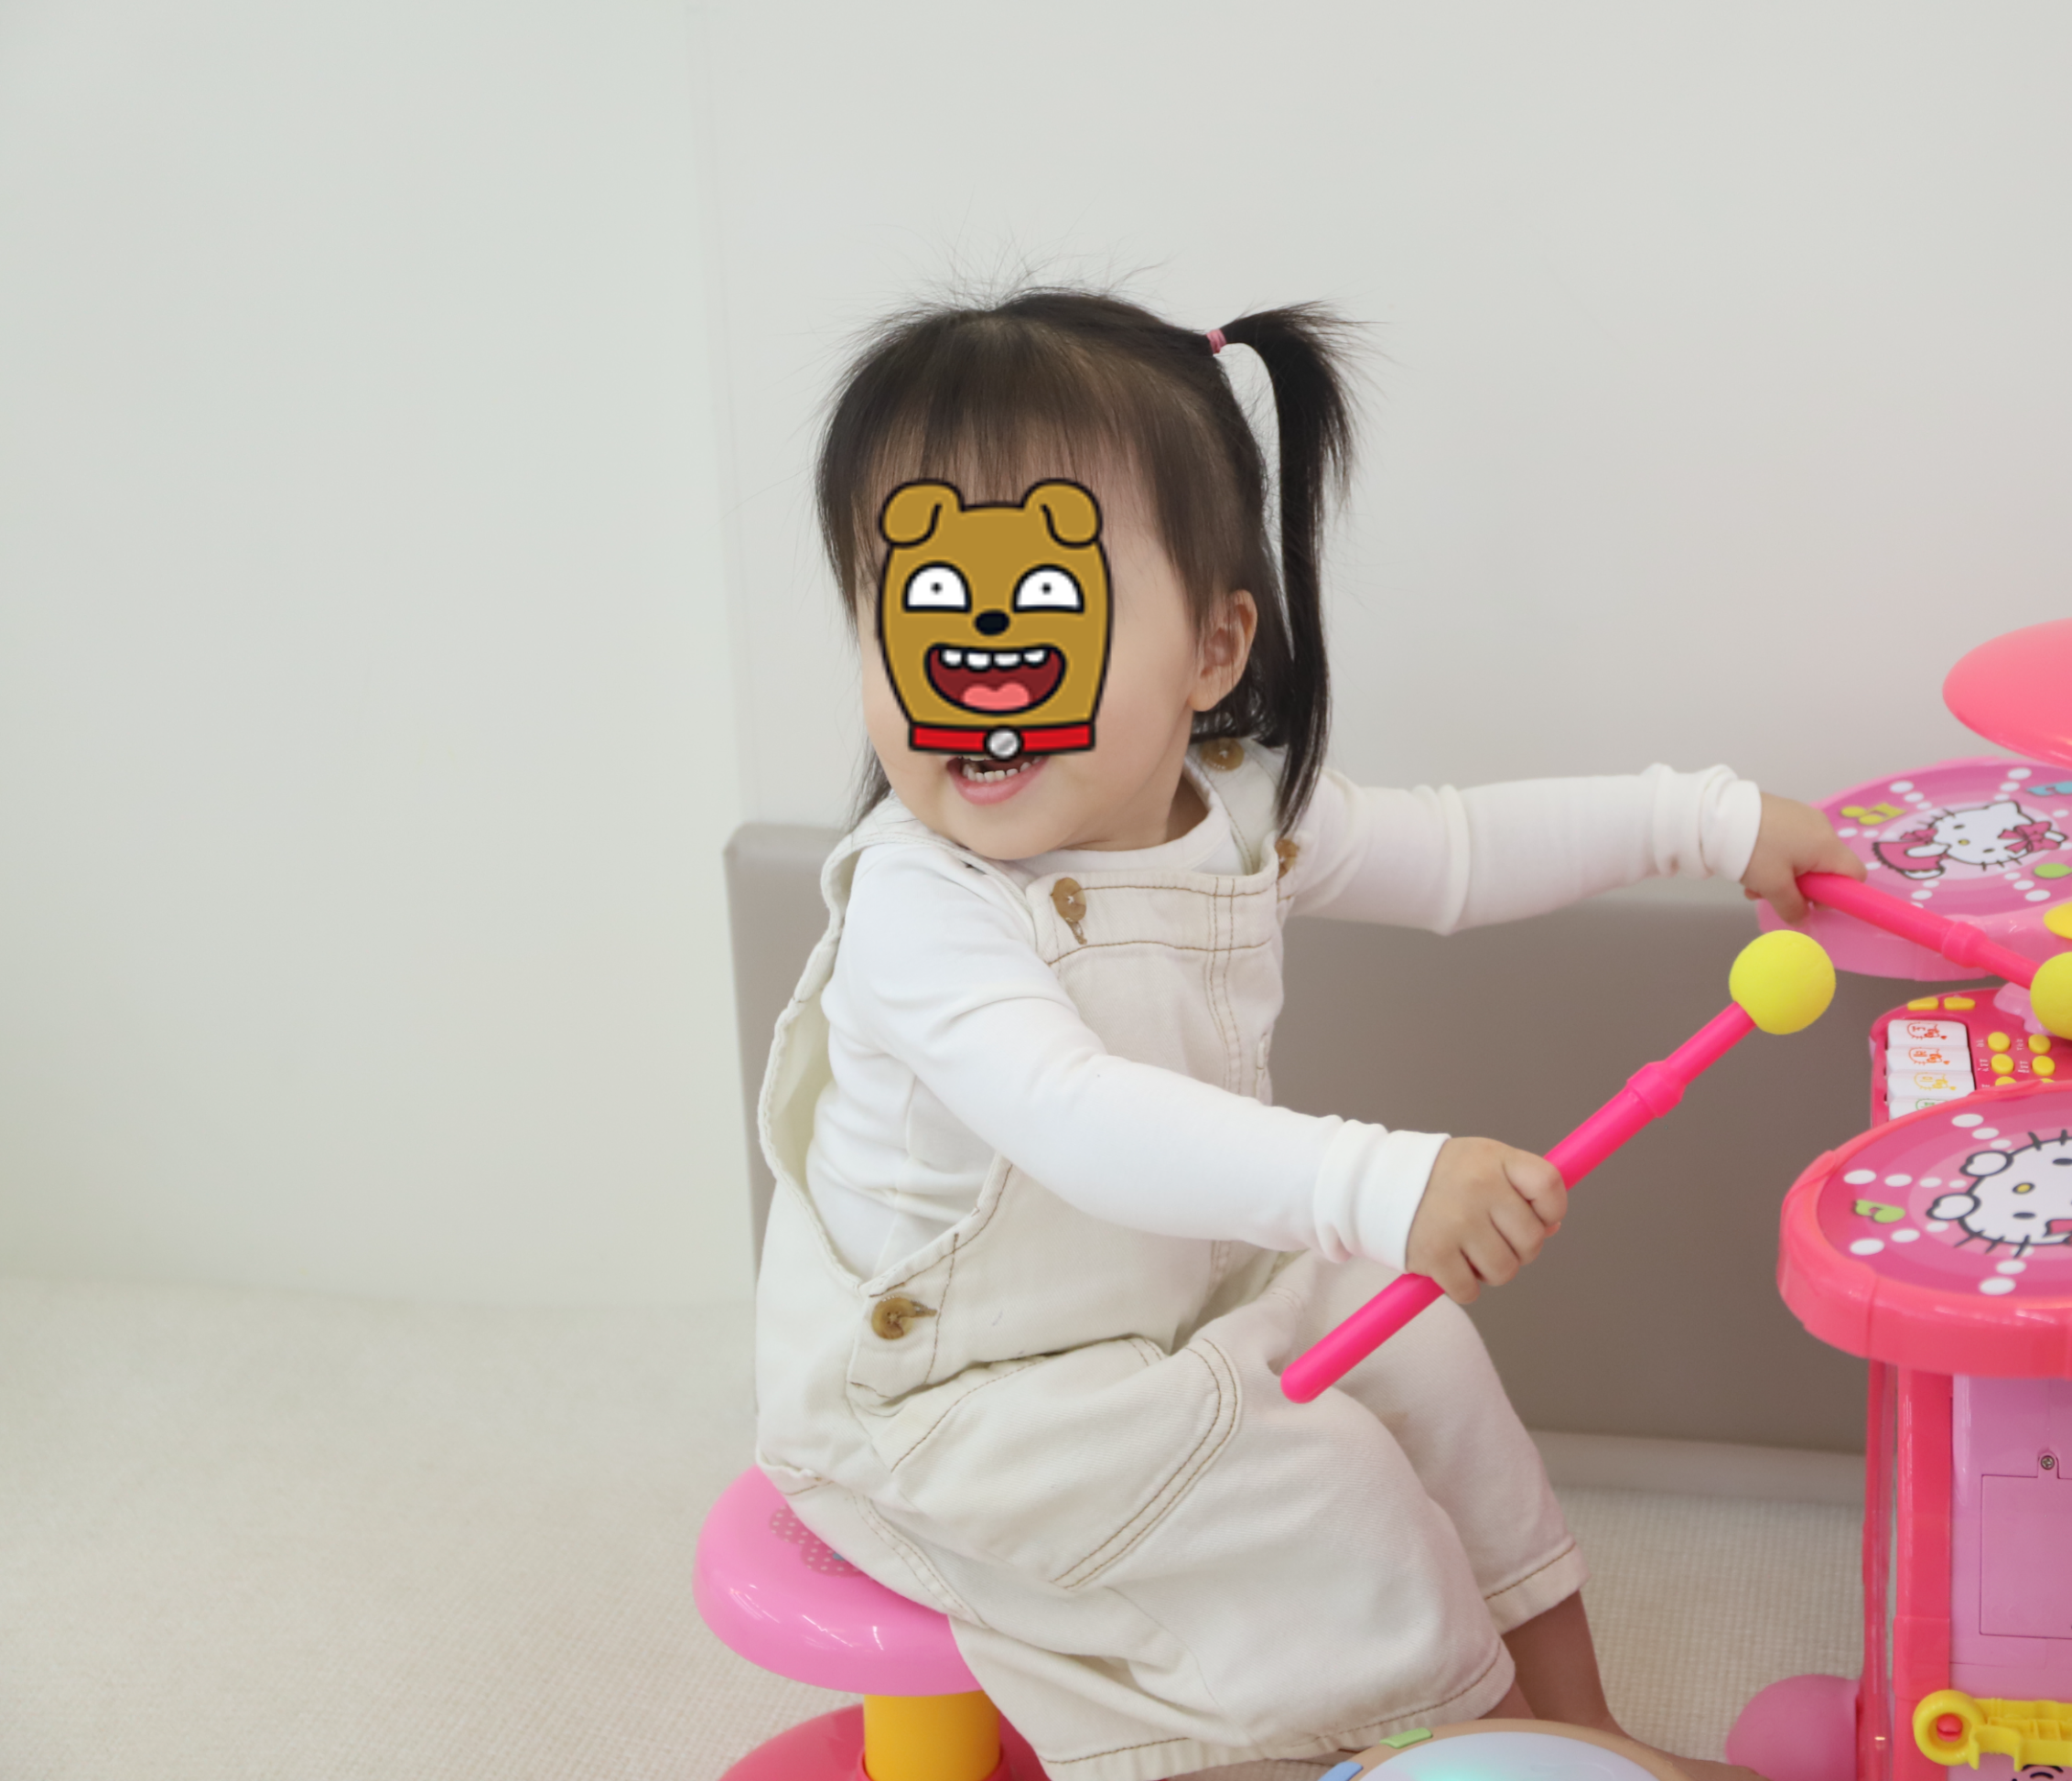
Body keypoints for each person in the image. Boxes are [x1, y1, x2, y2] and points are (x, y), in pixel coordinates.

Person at [750, 288, 1862, 1781]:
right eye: (922, 605)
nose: (979, 657)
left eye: (1047, 600)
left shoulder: (1231, 809)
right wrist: (1380, 1181)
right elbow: (1075, 1113)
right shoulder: (919, 902)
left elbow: (1456, 854)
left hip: (1168, 1303)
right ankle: (1457, 1746)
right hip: (960, 1405)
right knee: (1321, 1485)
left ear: (1214, 650)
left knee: (1422, 1347)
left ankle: (1575, 1731)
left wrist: (1705, 820)